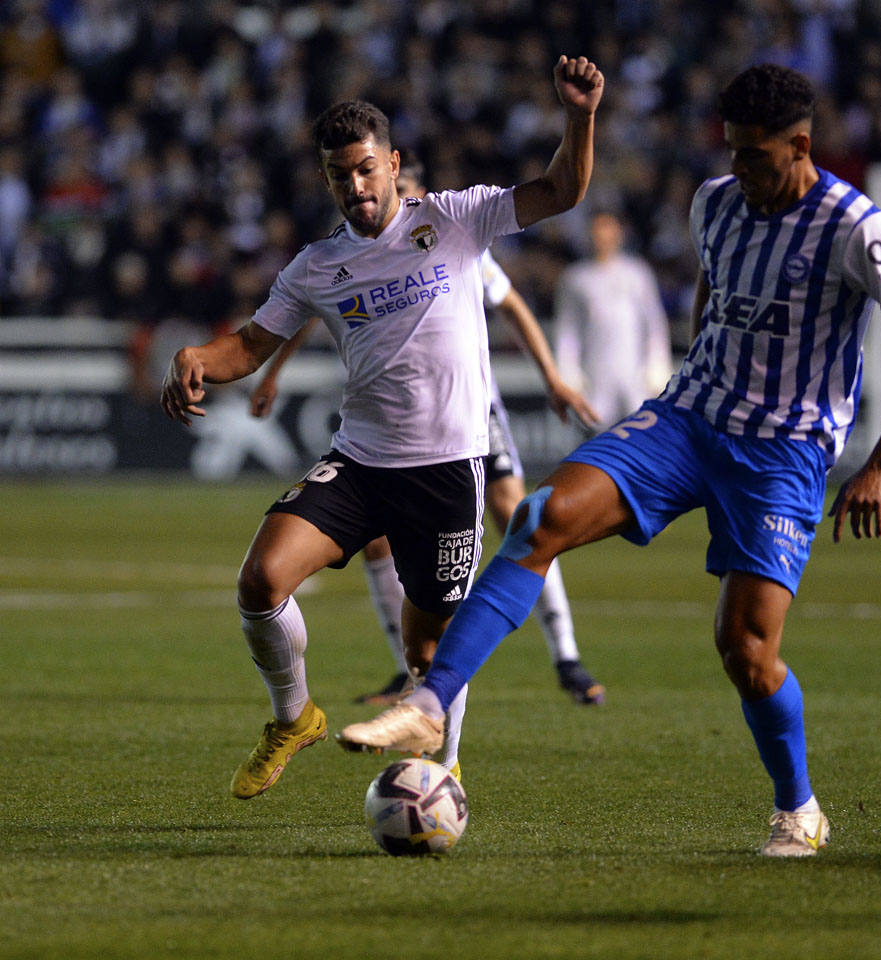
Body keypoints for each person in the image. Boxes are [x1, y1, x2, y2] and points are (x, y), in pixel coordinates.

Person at [336, 63, 881, 857]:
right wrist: (696, 369)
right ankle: (430, 701)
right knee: (539, 515)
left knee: (746, 649)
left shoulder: (856, 226)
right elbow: (715, 293)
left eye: (756, 159)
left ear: (800, 146)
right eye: (731, 153)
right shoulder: (715, 203)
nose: (741, 172)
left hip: (782, 452)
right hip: (687, 418)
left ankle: (797, 807)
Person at [160, 55, 605, 798]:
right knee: (260, 580)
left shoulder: (455, 219)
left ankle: (445, 771)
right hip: (361, 460)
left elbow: (561, 189)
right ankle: (292, 717)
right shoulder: (317, 265)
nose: (355, 187)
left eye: (366, 169)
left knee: (427, 645)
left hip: (446, 469)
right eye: (339, 176)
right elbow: (249, 345)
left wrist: (580, 116)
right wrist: (196, 357)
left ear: (393, 164)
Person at [248, 153, 608, 708]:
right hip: (389, 434)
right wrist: (272, 369)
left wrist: (554, 379)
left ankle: (567, 655)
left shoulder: (449, 233)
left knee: (517, 518)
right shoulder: (343, 254)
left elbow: (510, 302)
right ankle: (406, 670)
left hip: (469, 415)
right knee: (377, 544)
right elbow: (307, 309)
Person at [553, 210, 672, 424]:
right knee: (599, 433)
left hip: (634, 373)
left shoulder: (637, 273)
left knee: (638, 434)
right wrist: (568, 371)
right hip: (595, 371)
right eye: (598, 231)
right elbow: (567, 329)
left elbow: (654, 323)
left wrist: (658, 364)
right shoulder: (576, 278)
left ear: (619, 233)